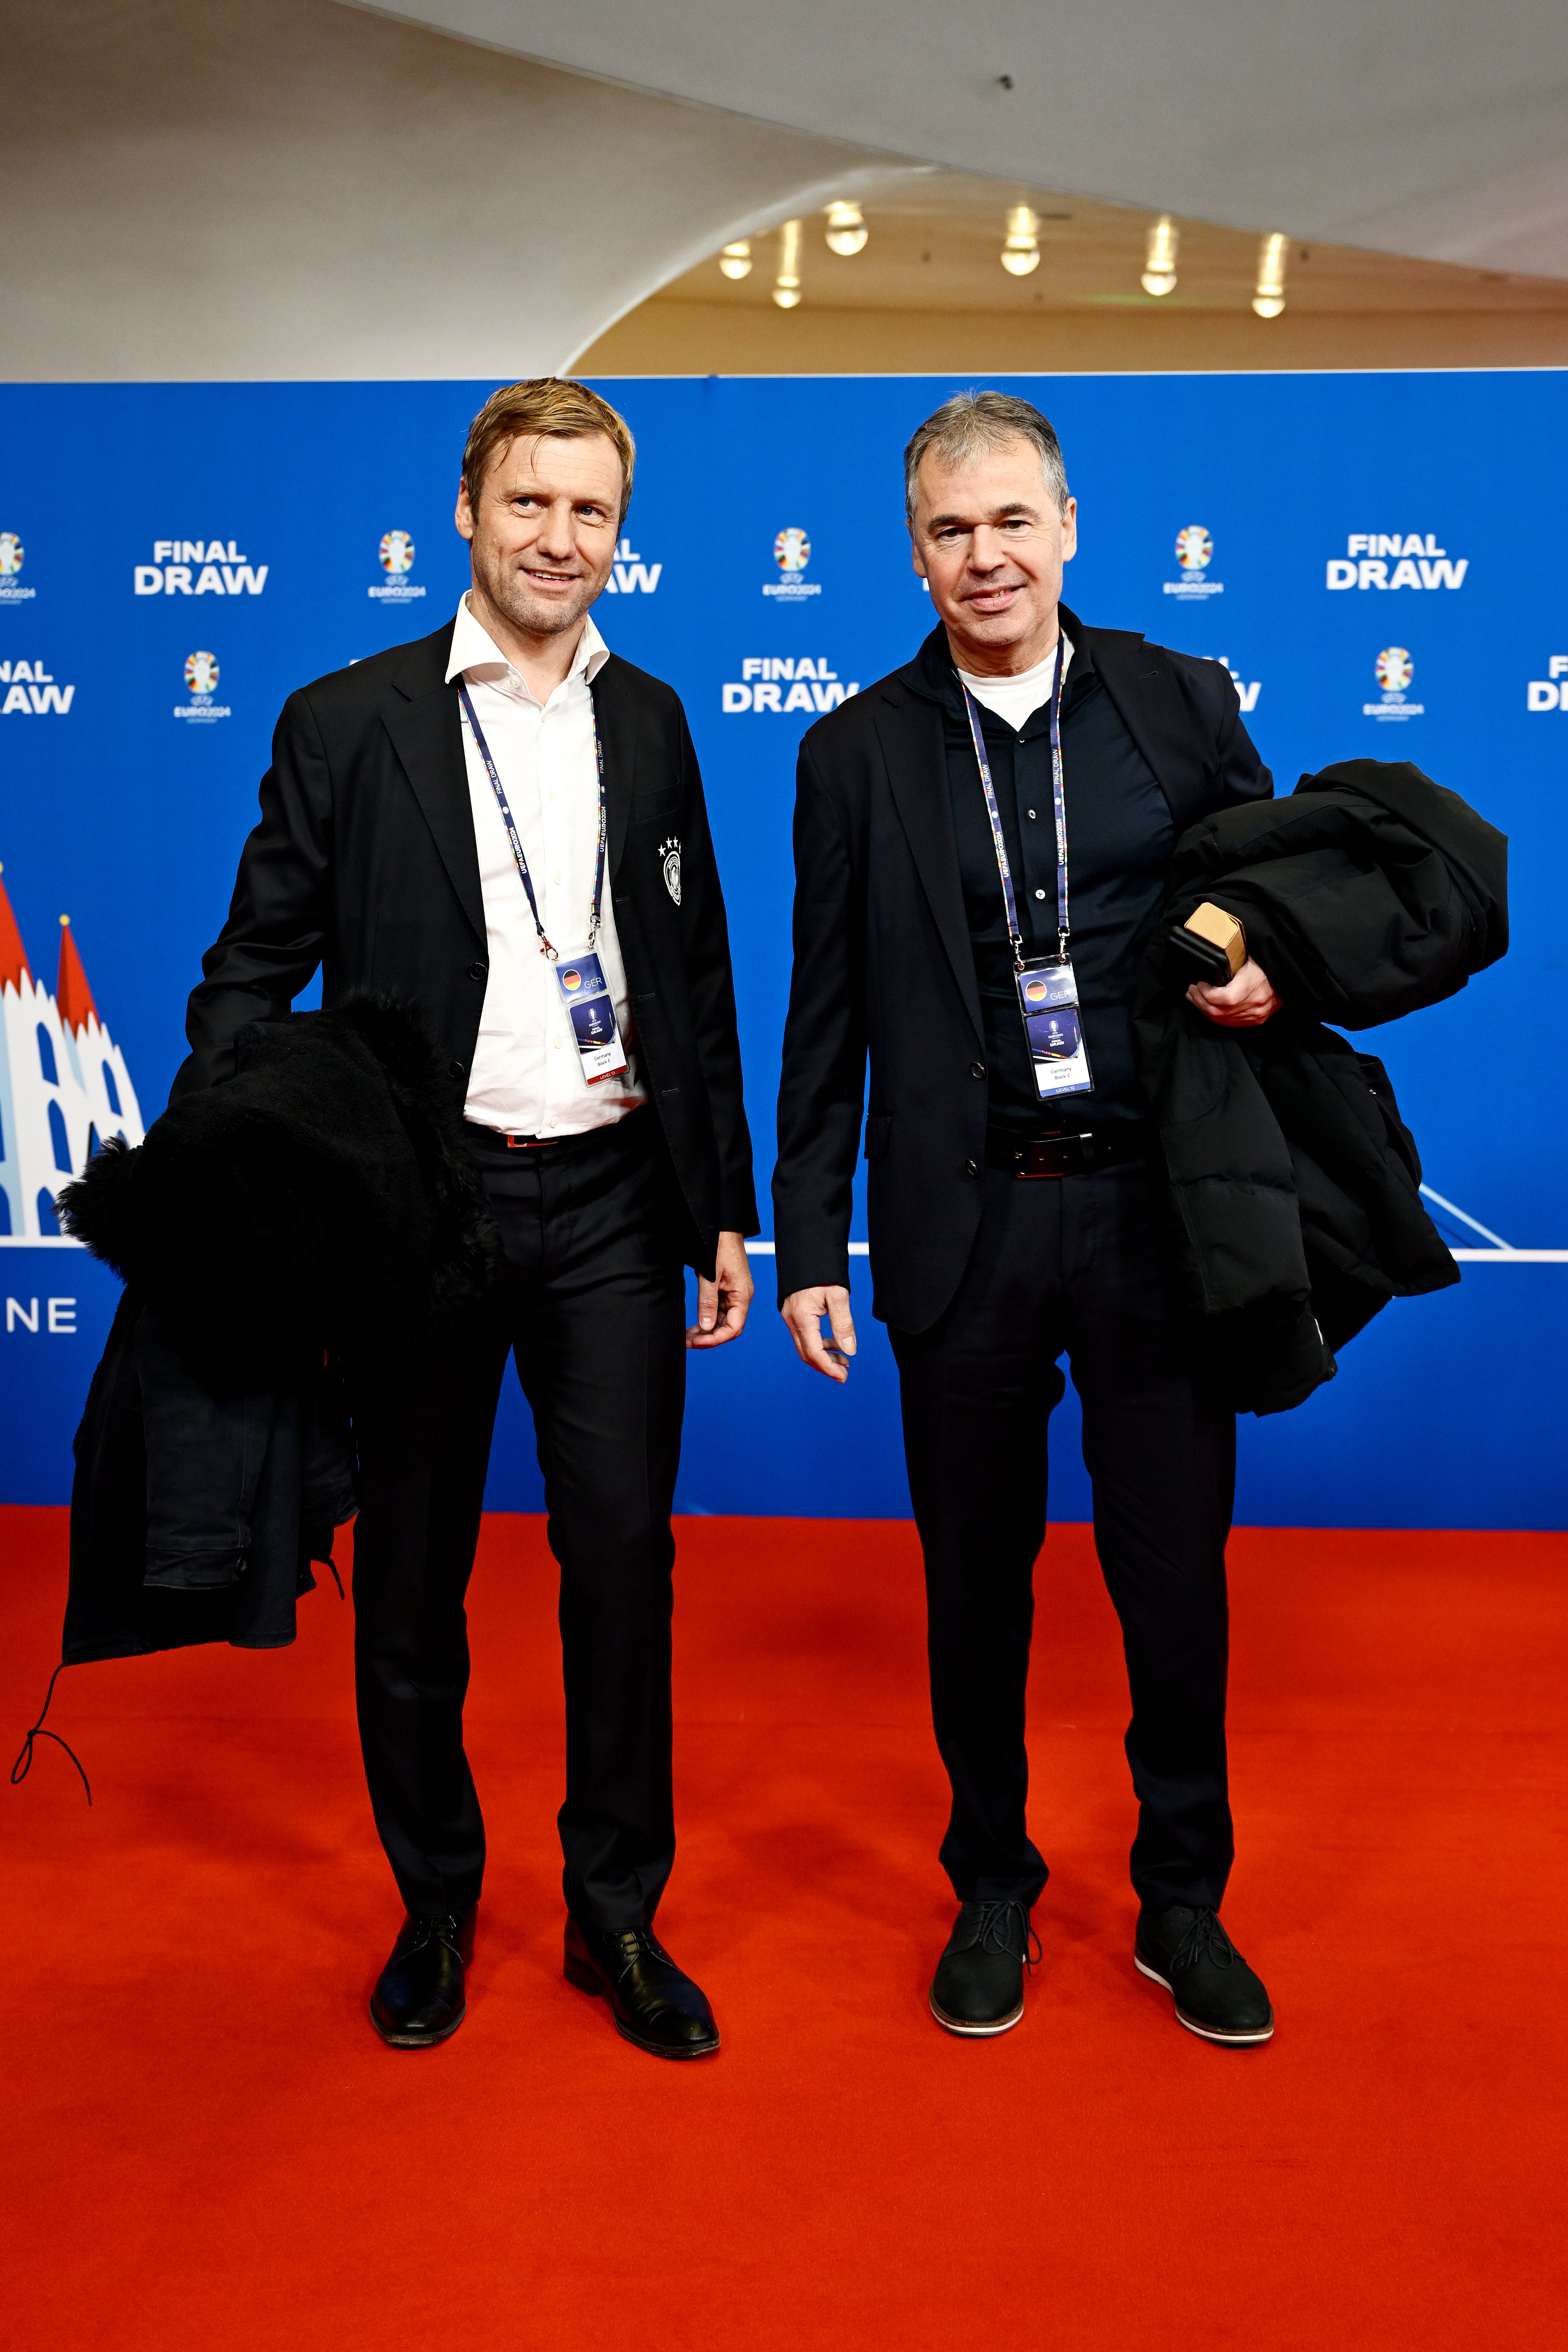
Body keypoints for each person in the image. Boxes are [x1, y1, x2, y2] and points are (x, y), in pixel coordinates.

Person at [175, 378, 757, 2055]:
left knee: (622, 1569)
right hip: (424, 1216)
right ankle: (434, 1905)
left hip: (612, 1202)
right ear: (469, 512)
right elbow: (249, 973)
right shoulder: (345, 719)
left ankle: (617, 1918)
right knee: (415, 1582)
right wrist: (255, 1168)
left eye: (590, 511)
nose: (559, 537)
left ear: (618, 534)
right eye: (531, 504)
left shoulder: (649, 717)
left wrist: (716, 1207)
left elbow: (693, 978)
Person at [773, 390, 1277, 2046]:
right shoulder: (851, 750)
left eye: (1010, 522)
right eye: (948, 530)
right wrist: (807, 1243)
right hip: (963, 1228)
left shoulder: (1180, 702)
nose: (983, 557)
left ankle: (1183, 1898)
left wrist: (1281, 964)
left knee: (1172, 1578)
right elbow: (823, 1011)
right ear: (912, 553)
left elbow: (1278, 885)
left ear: (1068, 527)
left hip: (1152, 1218)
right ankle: (991, 1879)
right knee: (975, 1585)